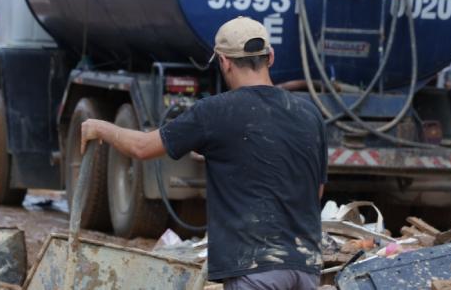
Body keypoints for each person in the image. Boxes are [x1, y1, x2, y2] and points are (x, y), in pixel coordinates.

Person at [81, 17, 326, 289]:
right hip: (306, 267)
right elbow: (315, 193)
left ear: (224, 61)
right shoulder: (310, 114)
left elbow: (142, 148)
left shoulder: (214, 112)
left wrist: (101, 127)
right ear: (270, 56)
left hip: (254, 268)